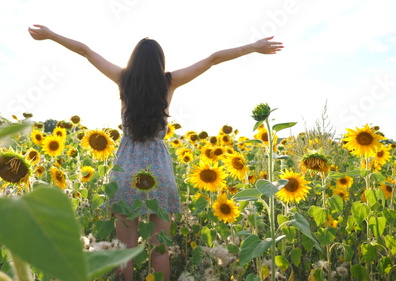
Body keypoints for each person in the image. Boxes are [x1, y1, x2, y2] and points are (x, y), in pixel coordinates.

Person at [29, 24, 283, 281]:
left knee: (123, 250)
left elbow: (85, 50)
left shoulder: (123, 78)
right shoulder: (168, 82)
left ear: (133, 61)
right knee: (160, 249)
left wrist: (51, 35)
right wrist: (252, 47)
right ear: (160, 62)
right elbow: (212, 59)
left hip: (127, 168)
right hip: (159, 170)